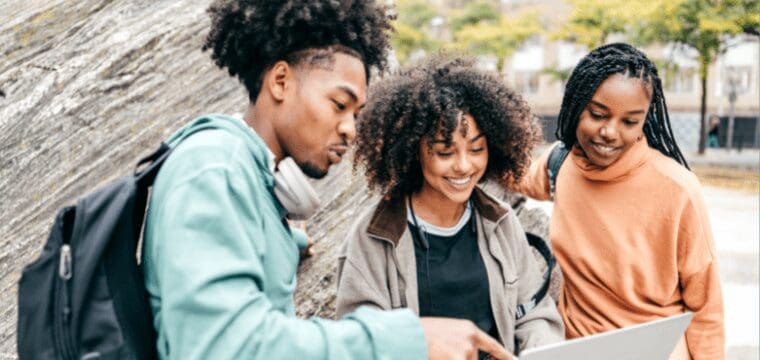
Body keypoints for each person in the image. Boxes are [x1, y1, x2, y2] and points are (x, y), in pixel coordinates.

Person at [142, 1, 512, 359]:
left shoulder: (246, 183)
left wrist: (283, 242)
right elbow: (221, 348)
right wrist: (407, 341)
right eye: (339, 105)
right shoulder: (214, 169)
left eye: (357, 113)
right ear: (281, 81)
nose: (351, 130)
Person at [336, 55, 565, 359]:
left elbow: (535, 316)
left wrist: (539, 350)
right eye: (445, 151)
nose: (463, 166)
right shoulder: (372, 238)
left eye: (476, 149)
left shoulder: (501, 222)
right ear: (413, 150)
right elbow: (361, 344)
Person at [512, 43, 725, 359]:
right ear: (575, 106)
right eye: (598, 114)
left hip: (657, 352)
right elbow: (506, 175)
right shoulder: (560, 164)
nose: (610, 132)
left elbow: (706, 306)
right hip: (577, 350)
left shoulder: (678, 189)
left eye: (630, 121)